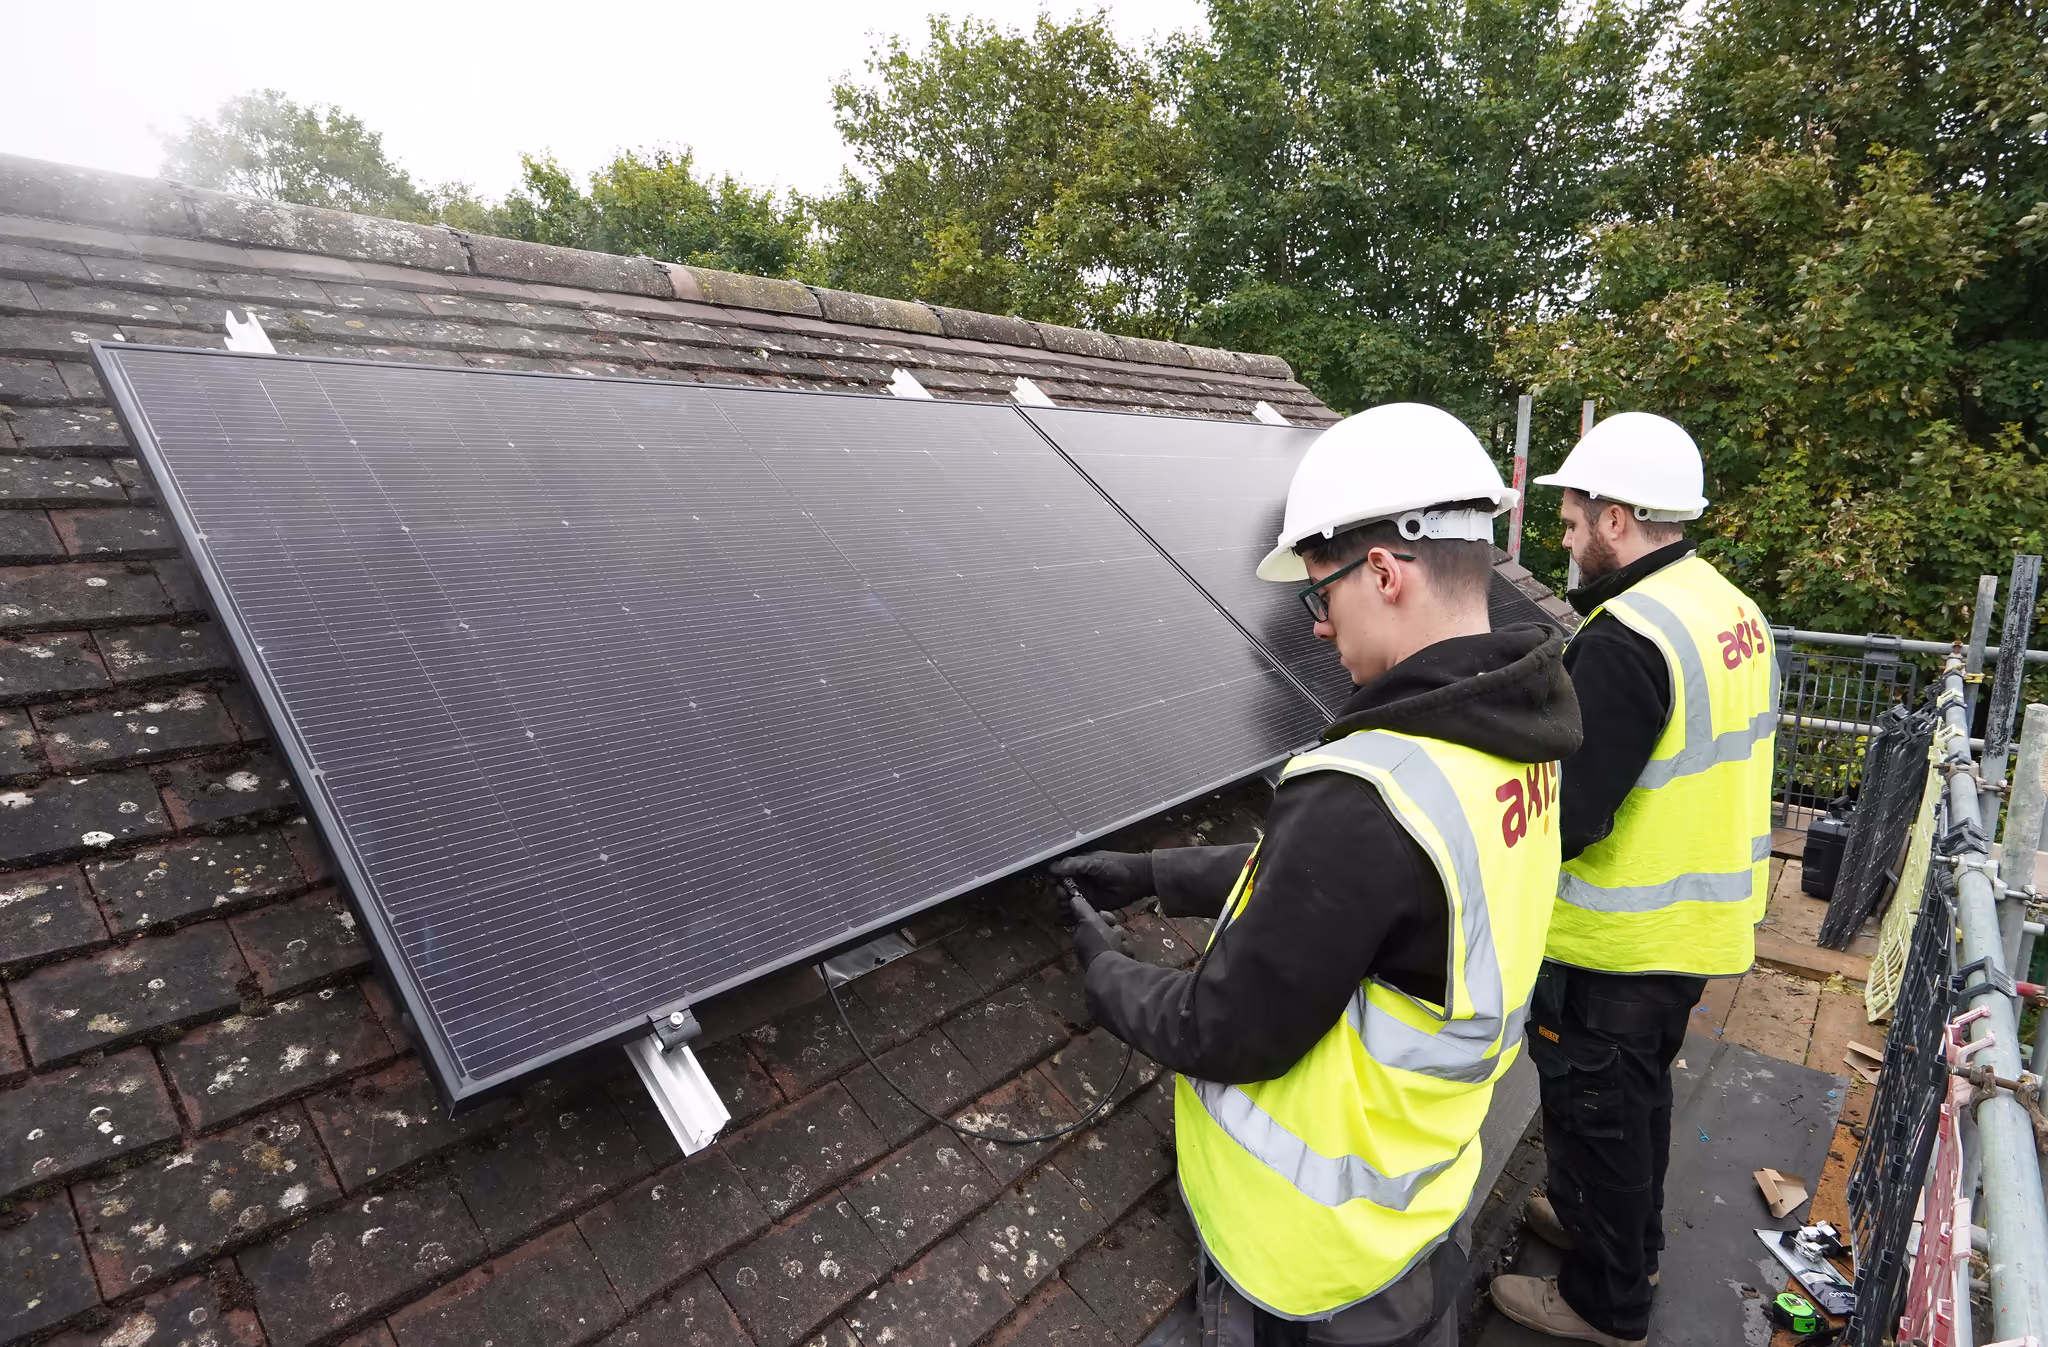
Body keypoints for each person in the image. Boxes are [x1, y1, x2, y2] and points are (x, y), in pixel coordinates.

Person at [1052, 402, 1582, 1347]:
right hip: (1417, 1205)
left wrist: (1105, 974)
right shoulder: (1517, 735)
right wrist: (1154, 870)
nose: (1320, 631)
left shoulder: (1370, 789)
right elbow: (1337, 896)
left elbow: (1224, 1025)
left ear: (1381, 571)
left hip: (1305, 1263)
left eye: (1320, 600)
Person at [1487, 412, 1776, 1347]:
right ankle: (1601, 1224)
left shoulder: (1628, 638)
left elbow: (1569, 814)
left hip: (1617, 941)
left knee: (1601, 1110)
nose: (1563, 540)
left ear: (1615, 517)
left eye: (1571, 520)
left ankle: (1604, 1300)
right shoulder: (1728, 609)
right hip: (1691, 928)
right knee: (1636, 1102)